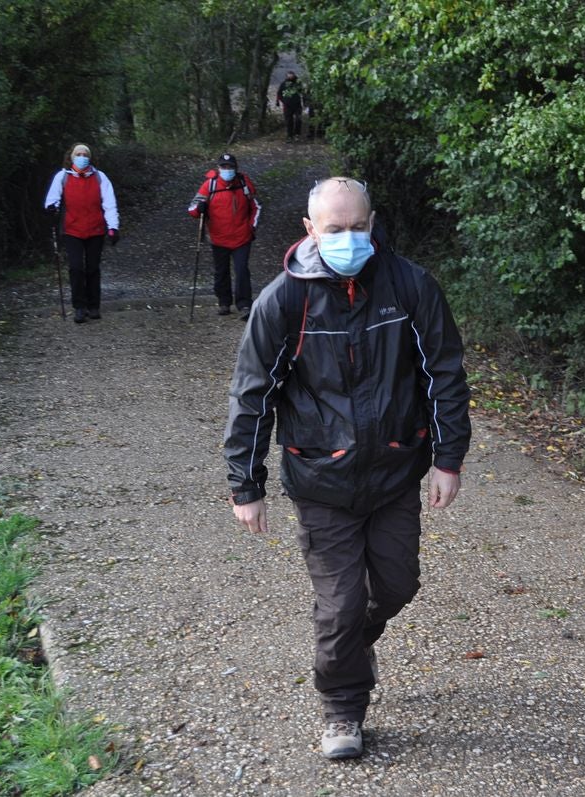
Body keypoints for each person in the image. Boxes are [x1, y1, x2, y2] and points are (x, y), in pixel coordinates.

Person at [223, 177, 471, 759]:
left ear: (373, 221)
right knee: (340, 605)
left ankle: (349, 647)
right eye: (335, 230)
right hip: (321, 481)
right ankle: (342, 706)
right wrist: (246, 483)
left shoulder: (410, 286)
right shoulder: (285, 301)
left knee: (397, 585)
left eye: (358, 227)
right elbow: (252, 396)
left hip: (393, 472)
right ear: (310, 231)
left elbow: (445, 374)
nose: (349, 239)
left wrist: (447, 457)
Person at [43, 143, 119, 323]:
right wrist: (51, 209)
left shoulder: (100, 177)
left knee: (93, 268)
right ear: (71, 156)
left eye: (85, 154)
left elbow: (109, 203)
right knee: (76, 268)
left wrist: (113, 227)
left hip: (96, 229)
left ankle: (94, 306)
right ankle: (79, 306)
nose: (82, 156)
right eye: (79, 153)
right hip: (72, 230)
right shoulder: (63, 177)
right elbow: (51, 200)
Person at [187, 153, 261, 318]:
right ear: (219, 168)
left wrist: (251, 227)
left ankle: (244, 305)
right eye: (224, 167)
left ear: (236, 168)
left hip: (242, 236)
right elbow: (192, 209)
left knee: (242, 271)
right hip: (218, 238)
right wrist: (199, 209)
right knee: (221, 272)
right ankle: (224, 302)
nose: (227, 170)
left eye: (230, 167)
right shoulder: (209, 185)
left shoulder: (244, 184)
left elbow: (256, 206)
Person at [275, 71, 304, 141]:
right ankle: (289, 136)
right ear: (287, 76)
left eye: (292, 75)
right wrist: (280, 101)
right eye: (289, 75)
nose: (290, 76)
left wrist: (305, 102)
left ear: (294, 75)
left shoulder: (298, 83)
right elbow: (279, 93)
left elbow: (303, 92)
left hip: (297, 105)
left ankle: (297, 134)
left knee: (298, 120)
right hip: (287, 105)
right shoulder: (284, 84)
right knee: (289, 121)